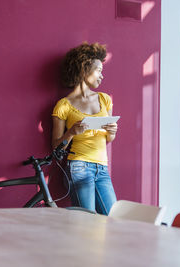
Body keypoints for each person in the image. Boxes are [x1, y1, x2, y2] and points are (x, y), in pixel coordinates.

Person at [51, 42, 118, 215]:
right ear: (83, 69)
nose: (102, 76)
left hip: (102, 168)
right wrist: (71, 132)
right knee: (85, 222)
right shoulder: (64, 105)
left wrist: (111, 133)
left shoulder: (104, 99)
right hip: (79, 168)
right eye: (98, 70)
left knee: (113, 218)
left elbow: (108, 139)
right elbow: (55, 148)